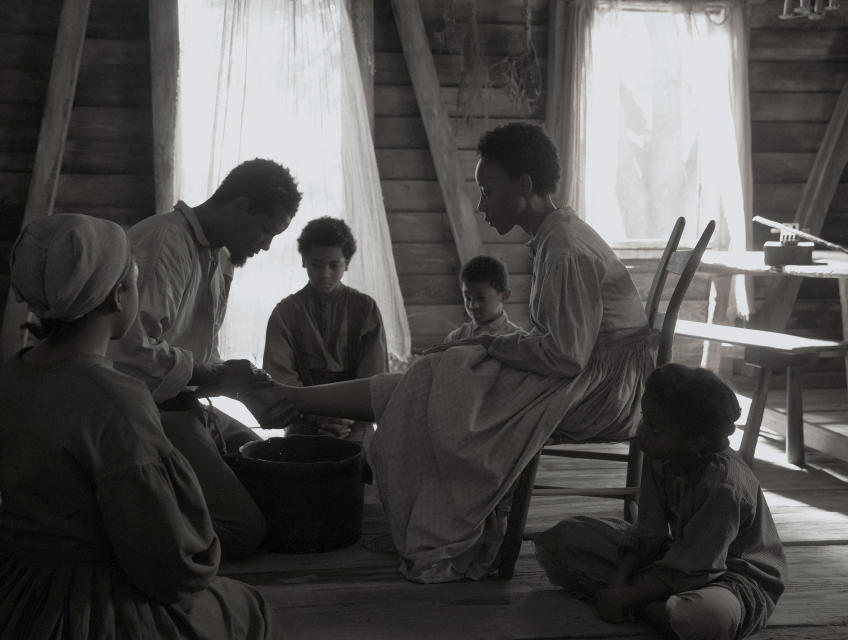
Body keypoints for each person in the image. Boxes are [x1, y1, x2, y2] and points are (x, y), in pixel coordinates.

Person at [266, 122, 658, 583]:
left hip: (601, 390)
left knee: (448, 374)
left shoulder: (565, 247)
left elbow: (566, 356)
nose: (480, 204)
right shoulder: (557, 237)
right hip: (588, 375)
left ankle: (289, 397)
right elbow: (563, 349)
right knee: (447, 368)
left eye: (488, 191)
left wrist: (492, 341)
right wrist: (488, 344)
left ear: (525, 187)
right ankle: (290, 396)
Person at [0, 214, 276, 639]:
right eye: (135, 282)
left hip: (10, 579)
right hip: (92, 594)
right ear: (117, 295)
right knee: (247, 609)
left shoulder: (8, 381)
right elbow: (168, 563)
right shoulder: (117, 402)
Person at [107, 158, 302, 559]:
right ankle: (122, 539)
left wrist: (241, 391)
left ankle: (181, 500)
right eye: (266, 230)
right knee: (245, 528)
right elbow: (131, 352)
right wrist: (213, 373)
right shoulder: (165, 243)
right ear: (239, 206)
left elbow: (197, 360)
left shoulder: (216, 259)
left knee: (275, 473)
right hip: (141, 409)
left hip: (184, 403)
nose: (265, 245)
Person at [533, 363, 787, 640]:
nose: (642, 430)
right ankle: (651, 608)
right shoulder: (661, 455)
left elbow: (697, 567)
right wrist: (619, 583)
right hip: (676, 559)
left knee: (707, 617)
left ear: (695, 441)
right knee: (566, 537)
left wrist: (625, 596)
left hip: (732, 579)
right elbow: (648, 532)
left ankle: (645, 606)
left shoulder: (723, 486)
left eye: (654, 426)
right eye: (644, 417)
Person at [263, 216, 387, 445]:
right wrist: (318, 416)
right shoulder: (285, 313)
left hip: (355, 429)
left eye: (334, 265)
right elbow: (280, 378)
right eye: (316, 265)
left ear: (347, 262)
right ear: (303, 261)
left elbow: (374, 376)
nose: (325, 274)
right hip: (303, 427)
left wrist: (345, 416)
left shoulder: (365, 308)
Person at [443, 255, 522, 343]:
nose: (472, 305)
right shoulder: (455, 338)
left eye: (481, 298)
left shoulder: (520, 341)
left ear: (504, 296)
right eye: (467, 297)